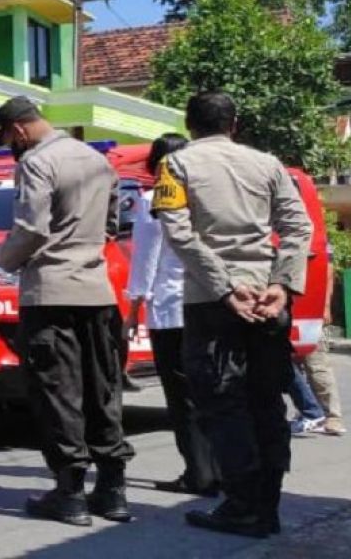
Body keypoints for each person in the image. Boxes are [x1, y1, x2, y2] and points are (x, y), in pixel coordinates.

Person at [153, 91, 312, 538]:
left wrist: (224, 288)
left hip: (211, 301)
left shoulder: (175, 165)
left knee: (223, 404)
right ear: (234, 124)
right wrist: (281, 284)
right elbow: (299, 227)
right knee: (266, 400)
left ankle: (244, 504)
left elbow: (178, 233)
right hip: (267, 296)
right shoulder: (268, 164)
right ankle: (267, 505)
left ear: (189, 125)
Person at [0, 97, 134, 527]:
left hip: (51, 293)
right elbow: (111, 223)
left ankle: (69, 494)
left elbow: (31, 229)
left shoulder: (35, 162)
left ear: (17, 130)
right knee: (102, 390)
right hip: (97, 291)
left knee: (58, 393)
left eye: (8, 139)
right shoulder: (99, 161)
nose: (11, 147)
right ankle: (113, 490)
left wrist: (2, 255)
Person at [124, 133, 220, 497]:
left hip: (170, 311)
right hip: (208, 303)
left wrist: (133, 310)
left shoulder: (153, 201)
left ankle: (199, 474)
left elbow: (145, 262)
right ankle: (221, 470)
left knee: (182, 397)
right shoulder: (207, 198)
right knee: (211, 393)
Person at [298, 245, 345, 436]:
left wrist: (324, 306)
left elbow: (327, 271)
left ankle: (332, 416)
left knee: (316, 363)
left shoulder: (316, 235)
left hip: (309, 309)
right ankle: (310, 412)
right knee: (293, 367)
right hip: (287, 307)